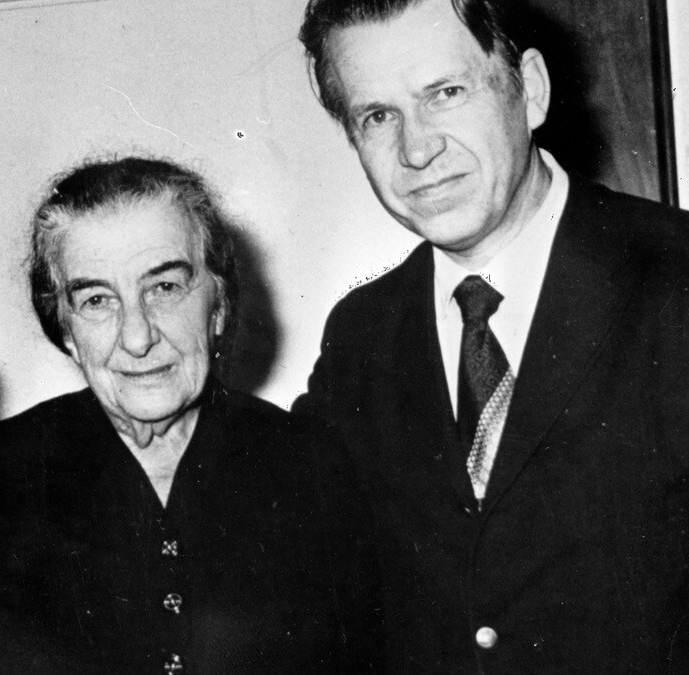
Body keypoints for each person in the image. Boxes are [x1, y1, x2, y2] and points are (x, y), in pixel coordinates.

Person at [292, 0, 689, 671]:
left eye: (445, 93)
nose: (417, 149)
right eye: (378, 116)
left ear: (530, 90)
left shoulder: (675, 277)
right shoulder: (361, 336)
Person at [0, 157, 382, 673]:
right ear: (65, 330)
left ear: (218, 305)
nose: (137, 337)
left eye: (165, 288)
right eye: (96, 300)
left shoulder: (314, 466)